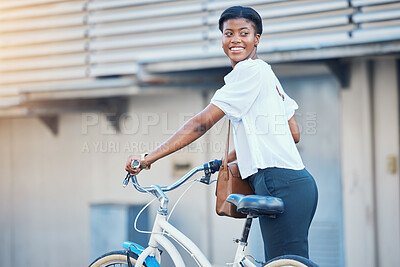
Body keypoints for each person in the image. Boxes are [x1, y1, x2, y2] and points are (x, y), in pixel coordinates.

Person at [125, 5, 318, 262]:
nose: (235, 39)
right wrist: (231, 155)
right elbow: (293, 132)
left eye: (244, 33)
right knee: (288, 262)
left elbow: (200, 124)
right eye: (228, 33)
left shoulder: (248, 72)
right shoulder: (266, 73)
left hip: (277, 182)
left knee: (285, 263)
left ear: (257, 38)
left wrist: (148, 158)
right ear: (222, 38)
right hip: (296, 185)